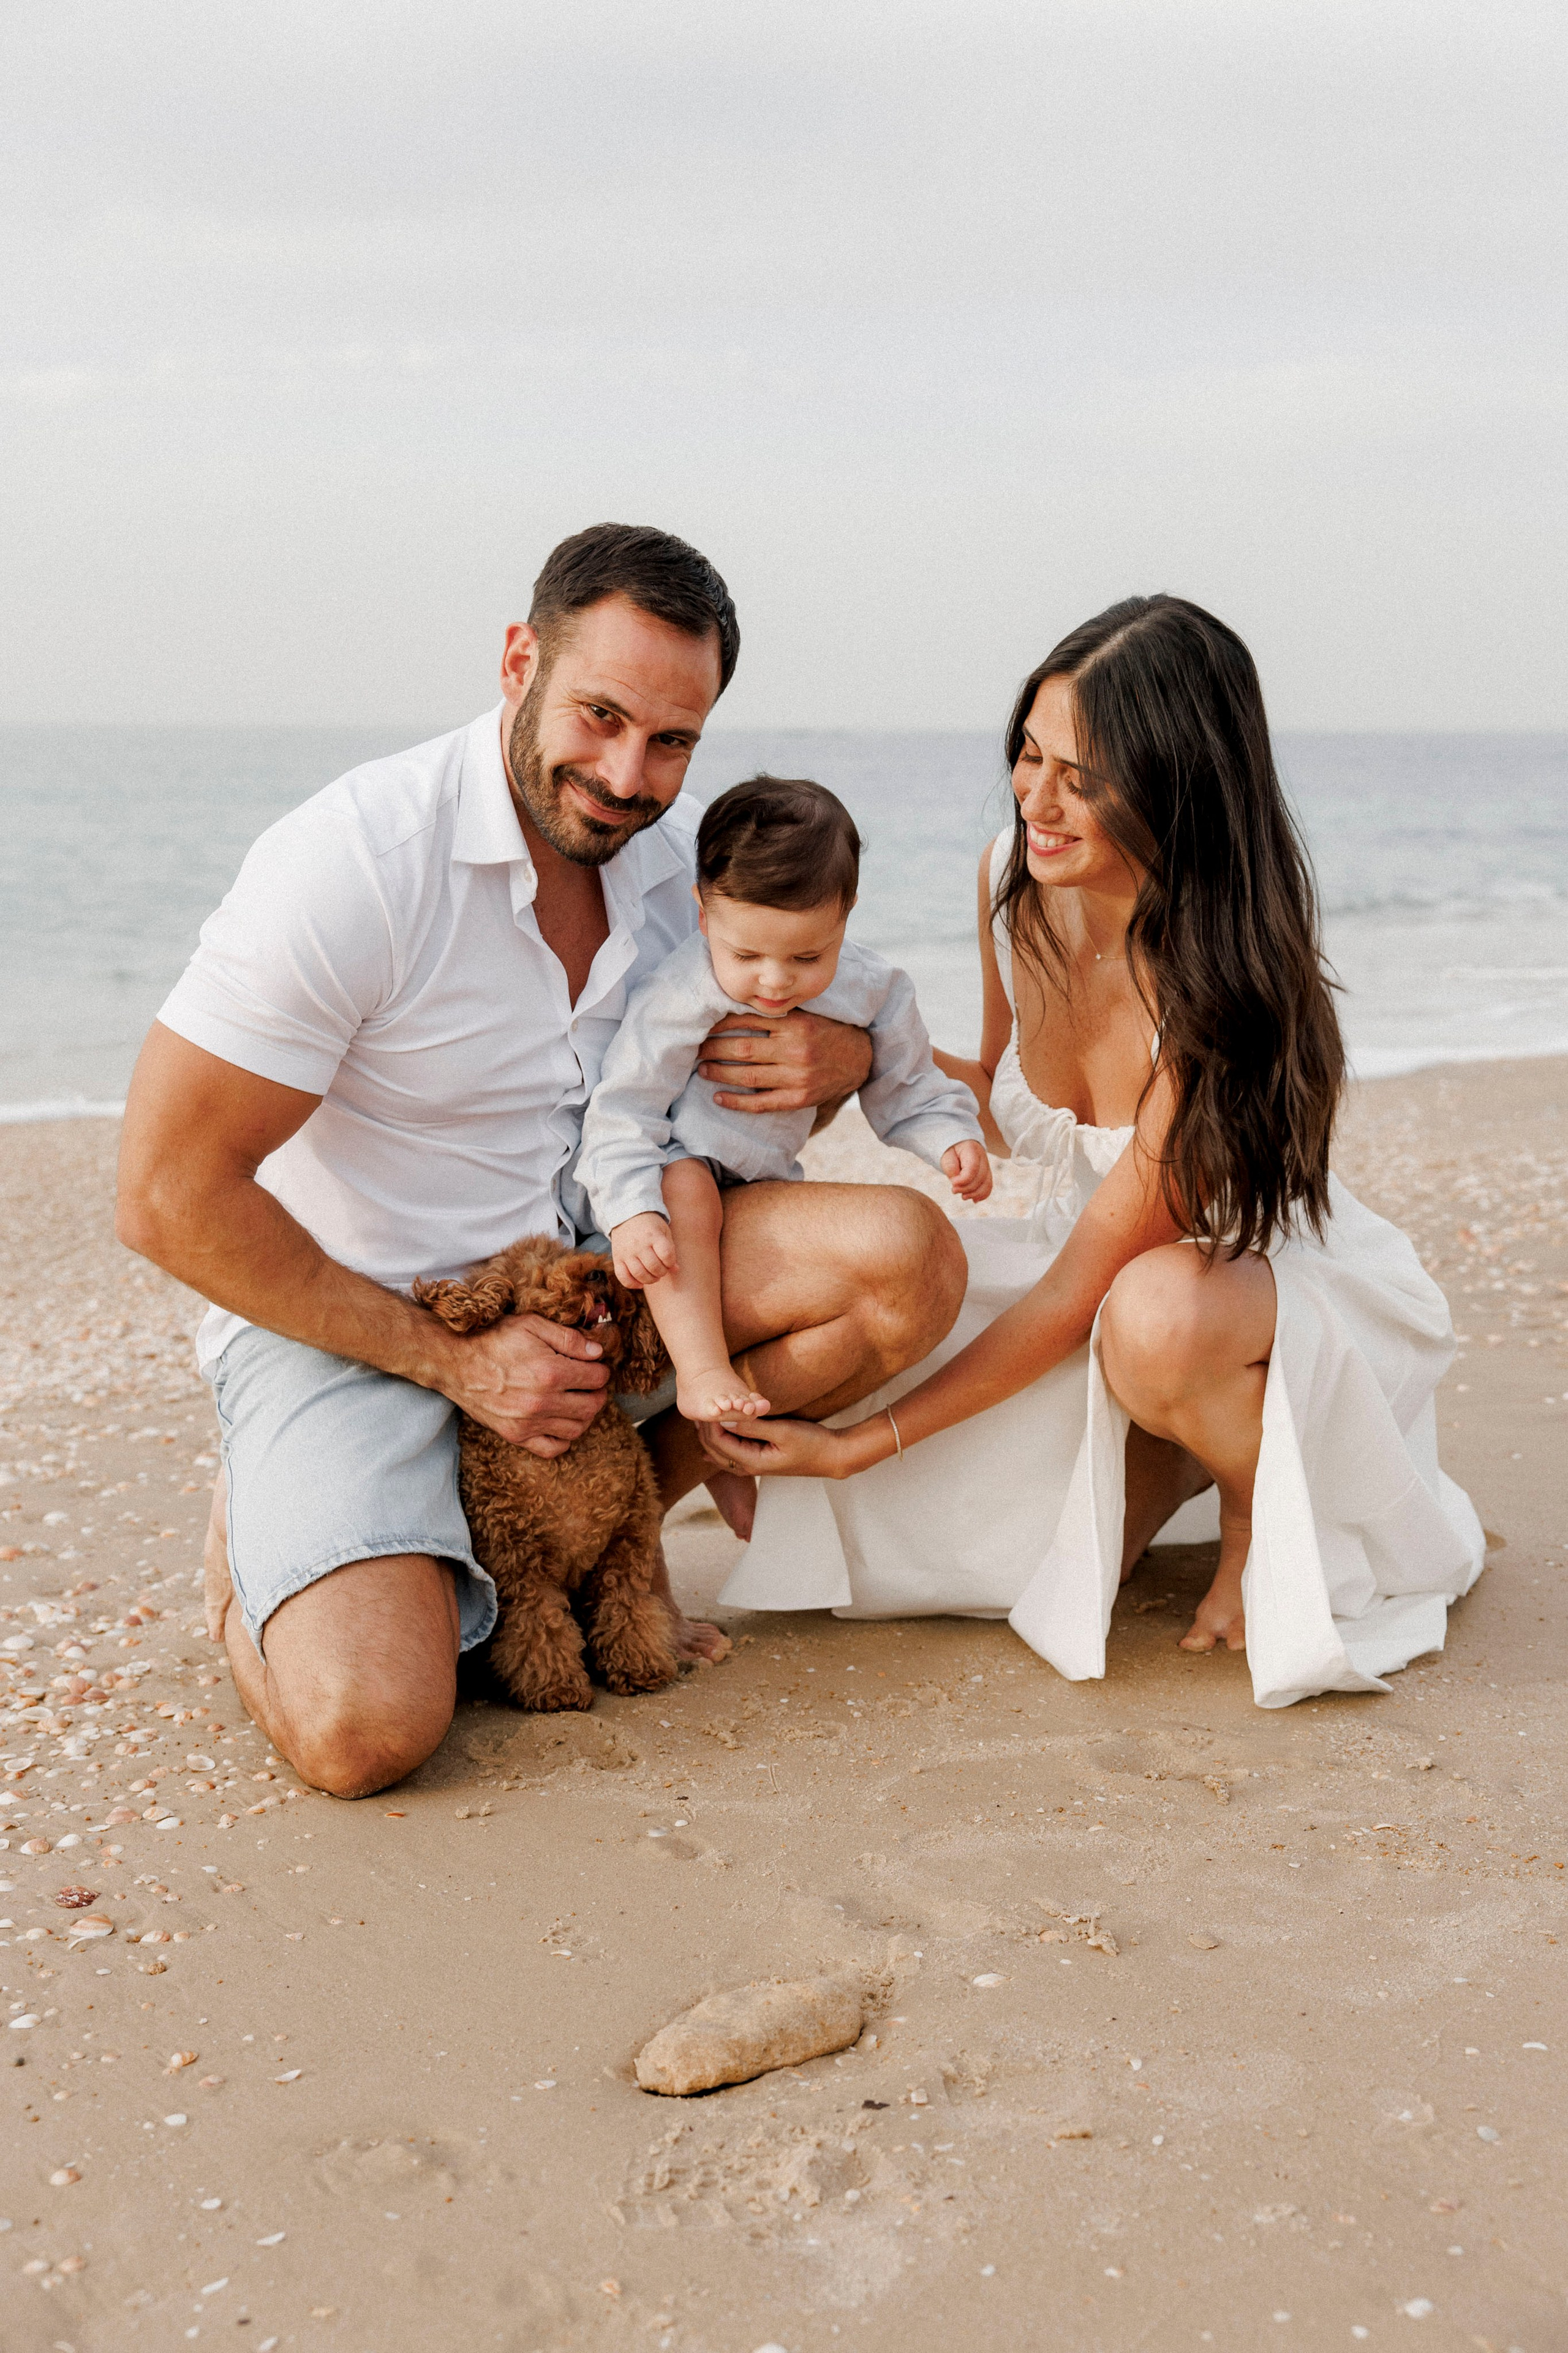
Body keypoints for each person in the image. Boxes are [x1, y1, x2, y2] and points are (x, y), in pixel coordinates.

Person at [115, 523, 967, 1796]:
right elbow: (162, 1196)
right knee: (368, 1731)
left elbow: (836, 1000)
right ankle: (265, 1556)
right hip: (365, 1316)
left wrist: (838, 1064)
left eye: (670, 740)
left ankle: (597, 1530)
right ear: (519, 661)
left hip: (595, 1288)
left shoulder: (682, 870)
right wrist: (453, 1360)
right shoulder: (351, 862)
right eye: (601, 715)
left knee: (903, 1262)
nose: (628, 774)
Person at [706, 597, 1485, 1709]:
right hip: (1087, 1256)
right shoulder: (1012, 880)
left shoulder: (1220, 998)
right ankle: (1158, 1456)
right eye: (1028, 754)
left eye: (1082, 775)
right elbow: (989, 1091)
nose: (1036, 798)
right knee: (902, 1536)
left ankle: (1253, 1503)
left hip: (1237, 1288)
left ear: (1177, 783)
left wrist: (861, 1445)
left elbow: (1085, 1290)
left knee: (1146, 1322)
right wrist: (848, 1058)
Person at [576, 774, 990, 1422]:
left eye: (806, 956)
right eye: (746, 953)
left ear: (845, 915)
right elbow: (625, 1107)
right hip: (673, 1170)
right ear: (702, 911)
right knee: (686, 1189)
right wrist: (631, 1212)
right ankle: (701, 1370)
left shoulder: (873, 988)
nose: (773, 980)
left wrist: (949, 1139)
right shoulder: (681, 991)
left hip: (763, 1182)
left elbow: (907, 1082)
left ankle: (725, 1448)